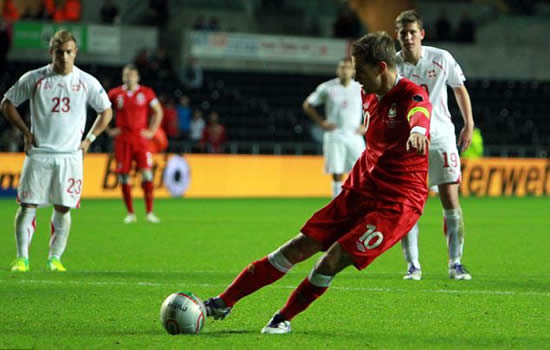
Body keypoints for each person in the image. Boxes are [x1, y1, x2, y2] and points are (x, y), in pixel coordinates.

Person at [202, 32, 432, 334]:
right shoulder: (367, 93)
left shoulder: (412, 95)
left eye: (360, 71)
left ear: (381, 67)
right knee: (297, 247)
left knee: (333, 258)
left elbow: (420, 112)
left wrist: (417, 132)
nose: (357, 79)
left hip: (397, 202)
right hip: (362, 187)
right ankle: (223, 301)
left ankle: (282, 318)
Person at [1, 29, 112, 272]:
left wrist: (89, 139)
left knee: (63, 207)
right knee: (27, 205)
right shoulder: (35, 78)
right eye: (59, 52)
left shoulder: (86, 81)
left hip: (70, 156)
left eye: (68, 52)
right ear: (51, 52)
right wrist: (25, 132)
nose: (64, 57)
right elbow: (7, 104)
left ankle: (55, 258)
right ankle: (22, 258)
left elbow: (106, 110)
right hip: (39, 153)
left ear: (75, 53)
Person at [395, 10, 475, 280]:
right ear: (398, 36)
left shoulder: (441, 58)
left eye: (412, 32)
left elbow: (459, 88)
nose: (408, 37)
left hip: (440, 135)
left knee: (450, 198)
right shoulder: (393, 66)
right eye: (403, 33)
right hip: (409, 141)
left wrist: (469, 123)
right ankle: (413, 265)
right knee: (409, 203)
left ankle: (455, 263)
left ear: (421, 34)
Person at [107, 64, 163, 224]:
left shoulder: (146, 93)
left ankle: (149, 212)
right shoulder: (115, 93)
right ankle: (130, 213)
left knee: (147, 173)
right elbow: (102, 111)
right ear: (123, 77)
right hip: (123, 140)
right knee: (124, 175)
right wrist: (109, 130)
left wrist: (152, 131)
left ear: (137, 77)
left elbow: (158, 111)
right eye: (126, 75)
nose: (129, 77)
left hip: (140, 139)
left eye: (132, 75)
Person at [303, 58, 365, 198]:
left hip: (354, 135)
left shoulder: (361, 88)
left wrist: (366, 125)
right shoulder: (327, 87)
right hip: (334, 135)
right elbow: (308, 104)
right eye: (342, 67)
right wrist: (321, 123)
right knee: (336, 171)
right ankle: (336, 202)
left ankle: (358, 200)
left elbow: (375, 106)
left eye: (348, 67)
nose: (345, 70)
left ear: (353, 71)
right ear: (338, 70)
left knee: (361, 169)